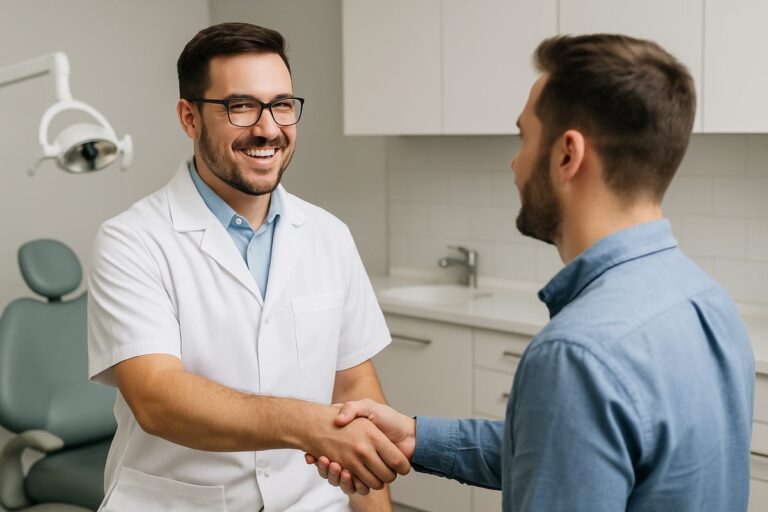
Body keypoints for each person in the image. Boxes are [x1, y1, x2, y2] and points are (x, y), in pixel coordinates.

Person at [308, 34, 756, 511]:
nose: (515, 162)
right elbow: (572, 453)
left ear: (567, 155)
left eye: (524, 138)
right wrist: (419, 437)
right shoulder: (709, 302)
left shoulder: (577, 354)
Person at [87, 22, 408, 512]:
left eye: (281, 104)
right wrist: (308, 425)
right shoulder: (131, 240)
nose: (268, 128)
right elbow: (156, 398)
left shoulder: (329, 235)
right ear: (189, 118)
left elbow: (353, 386)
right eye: (241, 106)